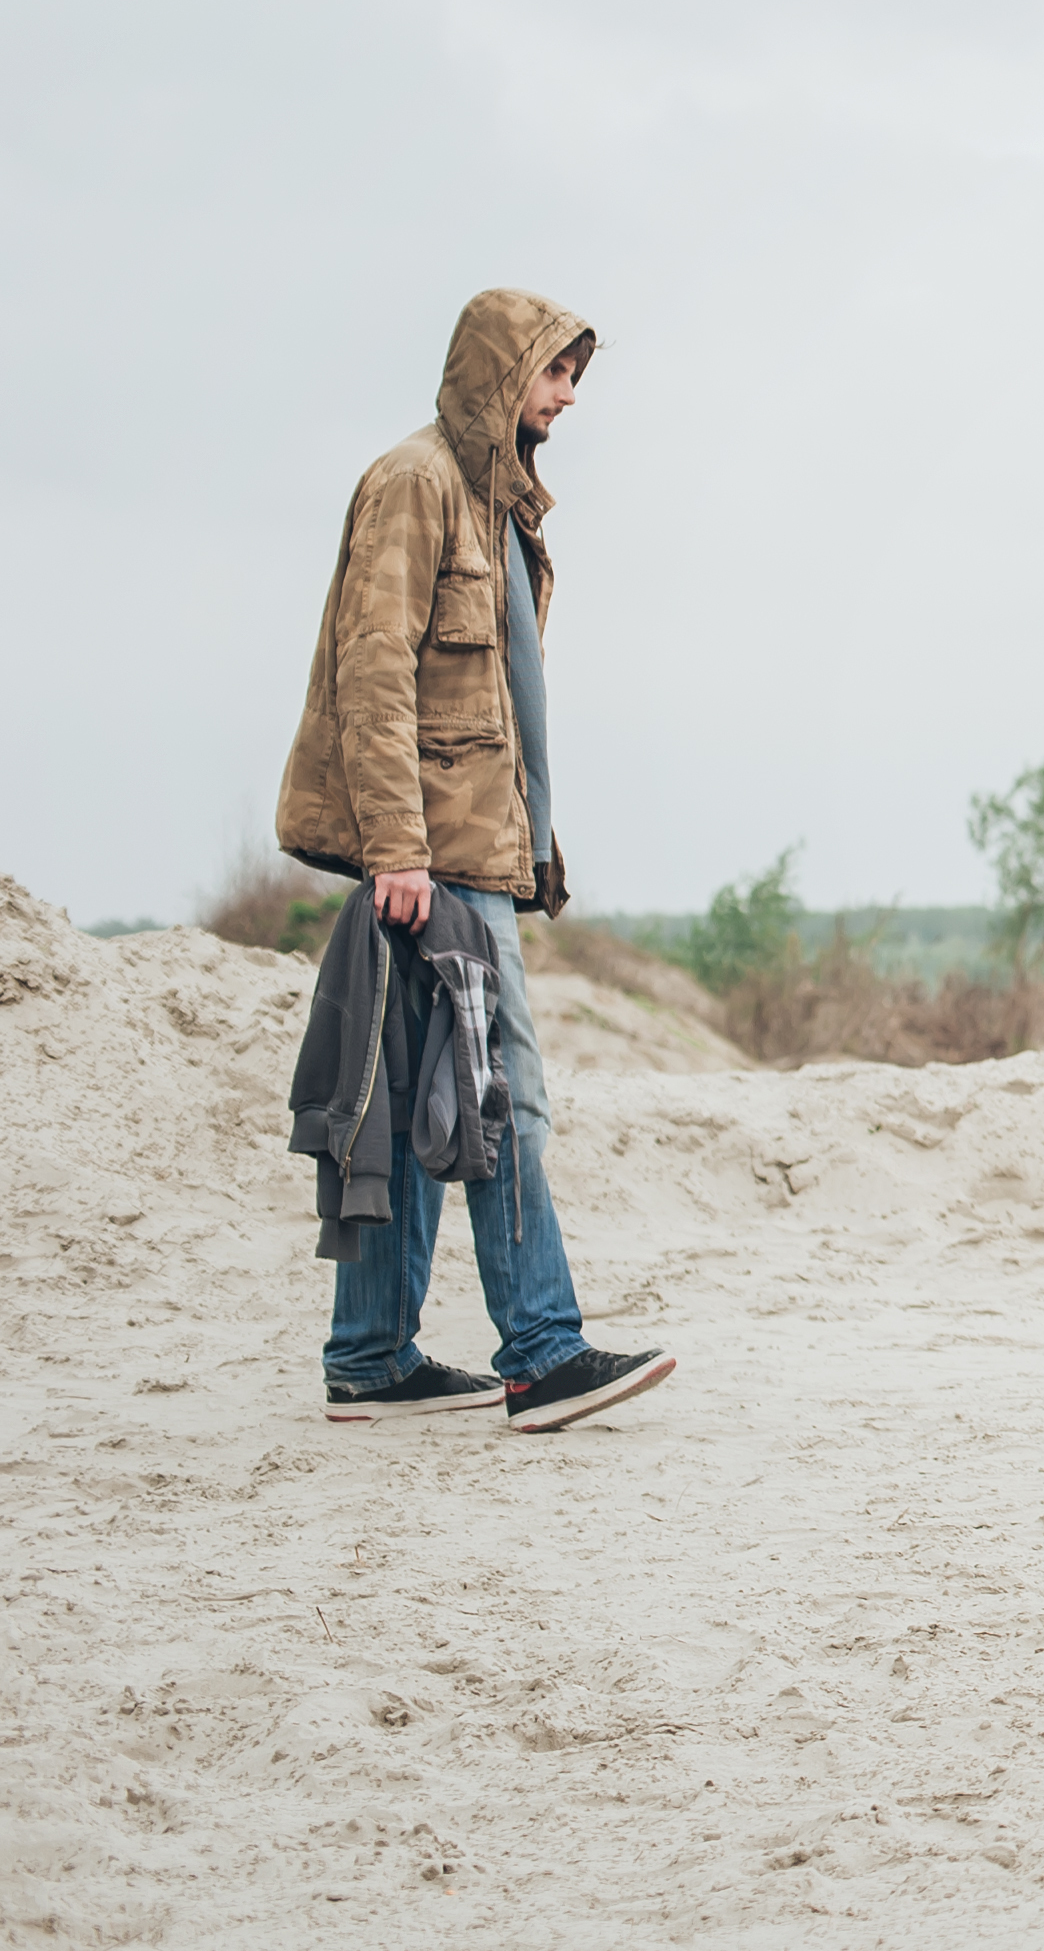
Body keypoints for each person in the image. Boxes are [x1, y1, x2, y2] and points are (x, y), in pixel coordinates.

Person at [277, 288, 678, 1434]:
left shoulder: (495, 504)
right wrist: (398, 847)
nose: (564, 400)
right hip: (434, 860)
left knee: (411, 1100)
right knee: (499, 1097)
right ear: (504, 376)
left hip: (471, 855)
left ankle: (370, 1355)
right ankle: (544, 1351)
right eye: (555, 376)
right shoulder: (416, 485)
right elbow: (373, 669)